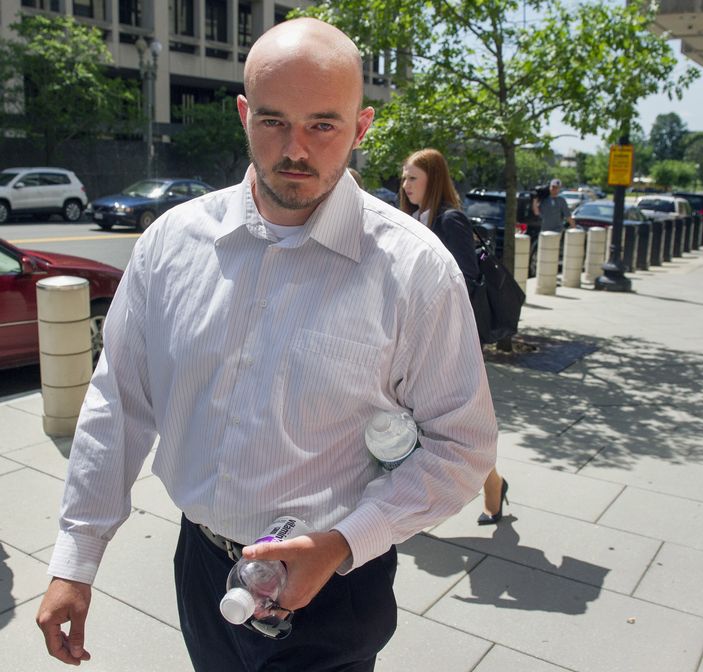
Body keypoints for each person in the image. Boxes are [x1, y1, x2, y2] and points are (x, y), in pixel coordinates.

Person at [35, 18, 497, 672]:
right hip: (203, 568)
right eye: (274, 121)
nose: (295, 149)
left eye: (323, 125)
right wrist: (76, 559)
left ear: (361, 127)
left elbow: (462, 445)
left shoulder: (415, 270)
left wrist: (345, 542)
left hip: (336, 584)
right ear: (243, 114)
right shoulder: (171, 244)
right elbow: (120, 402)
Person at [399, 148, 507, 526]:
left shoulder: (449, 219)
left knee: (456, 426)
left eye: (413, 177)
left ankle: (492, 487)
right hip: (414, 336)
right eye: (404, 177)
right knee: (420, 422)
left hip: (448, 337)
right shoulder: (414, 217)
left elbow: (466, 276)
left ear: (433, 179)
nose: (405, 184)